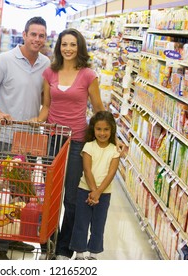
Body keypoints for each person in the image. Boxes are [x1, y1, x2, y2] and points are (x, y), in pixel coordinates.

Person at [0, 16, 51, 260]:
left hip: (30, 138)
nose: (37, 39)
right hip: (7, 136)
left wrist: (40, 119)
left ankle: (17, 237)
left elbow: (45, 102)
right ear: (24, 34)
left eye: (41, 35)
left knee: (23, 192)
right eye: (34, 35)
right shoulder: (4, 60)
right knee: (2, 190)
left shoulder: (46, 64)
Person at [34, 28, 105, 260]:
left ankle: (65, 248)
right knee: (50, 195)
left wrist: (109, 140)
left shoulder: (88, 75)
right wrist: (36, 121)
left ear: (80, 47)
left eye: (73, 44)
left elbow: (98, 109)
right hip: (52, 139)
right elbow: (46, 107)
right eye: (64, 44)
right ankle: (47, 246)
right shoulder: (49, 73)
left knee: (72, 199)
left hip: (76, 142)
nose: (68, 48)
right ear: (59, 47)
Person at [70, 111, 120, 260]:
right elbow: (87, 170)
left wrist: (98, 193)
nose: (102, 133)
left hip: (104, 194)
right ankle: (79, 254)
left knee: (98, 224)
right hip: (85, 190)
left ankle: (93, 254)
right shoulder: (88, 146)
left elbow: (111, 173)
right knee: (81, 222)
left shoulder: (114, 150)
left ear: (112, 130)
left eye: (106, 129)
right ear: (93, 129)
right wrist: (93, 191)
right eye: (99, 129)